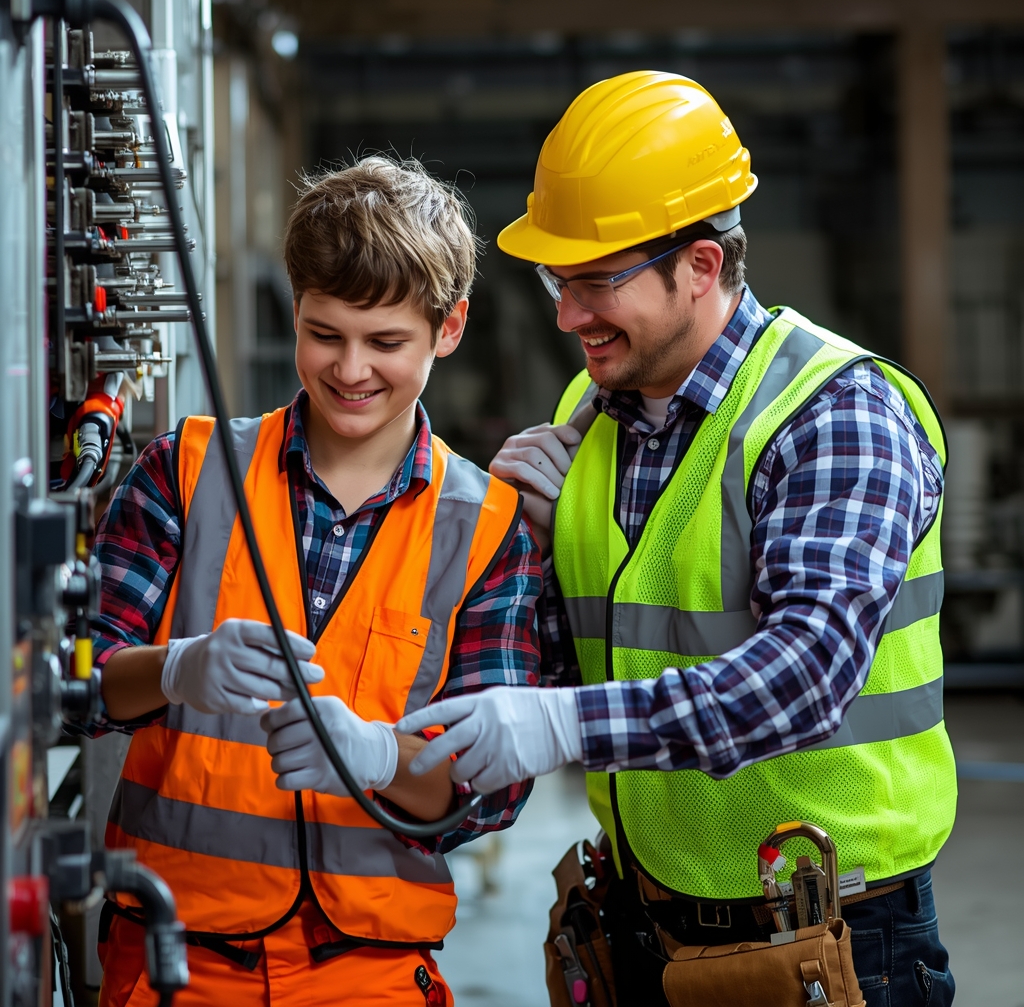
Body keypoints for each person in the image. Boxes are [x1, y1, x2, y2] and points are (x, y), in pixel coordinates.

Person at [398, 72, 957, 1005]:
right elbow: (598, 647)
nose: (569, 316)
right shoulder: (589, 415)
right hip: (646, 923)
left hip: (831, 938)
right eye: (556, 281)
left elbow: (806, 675)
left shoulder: (834, 416)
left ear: (700, 266)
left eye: (595, 283)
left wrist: (555, 726)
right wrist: (525, 553)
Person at [85, 156, 542, 1007]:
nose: (350, 370)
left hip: (368, 973)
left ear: (450, 329)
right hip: (176, 962)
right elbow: (74, 685)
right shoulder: (187, 472)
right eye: (324, 333)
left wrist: (376, 757)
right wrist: (175, 668)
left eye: (386, 342)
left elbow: (493, 785)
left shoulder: (488, 529)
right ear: (295, 312)